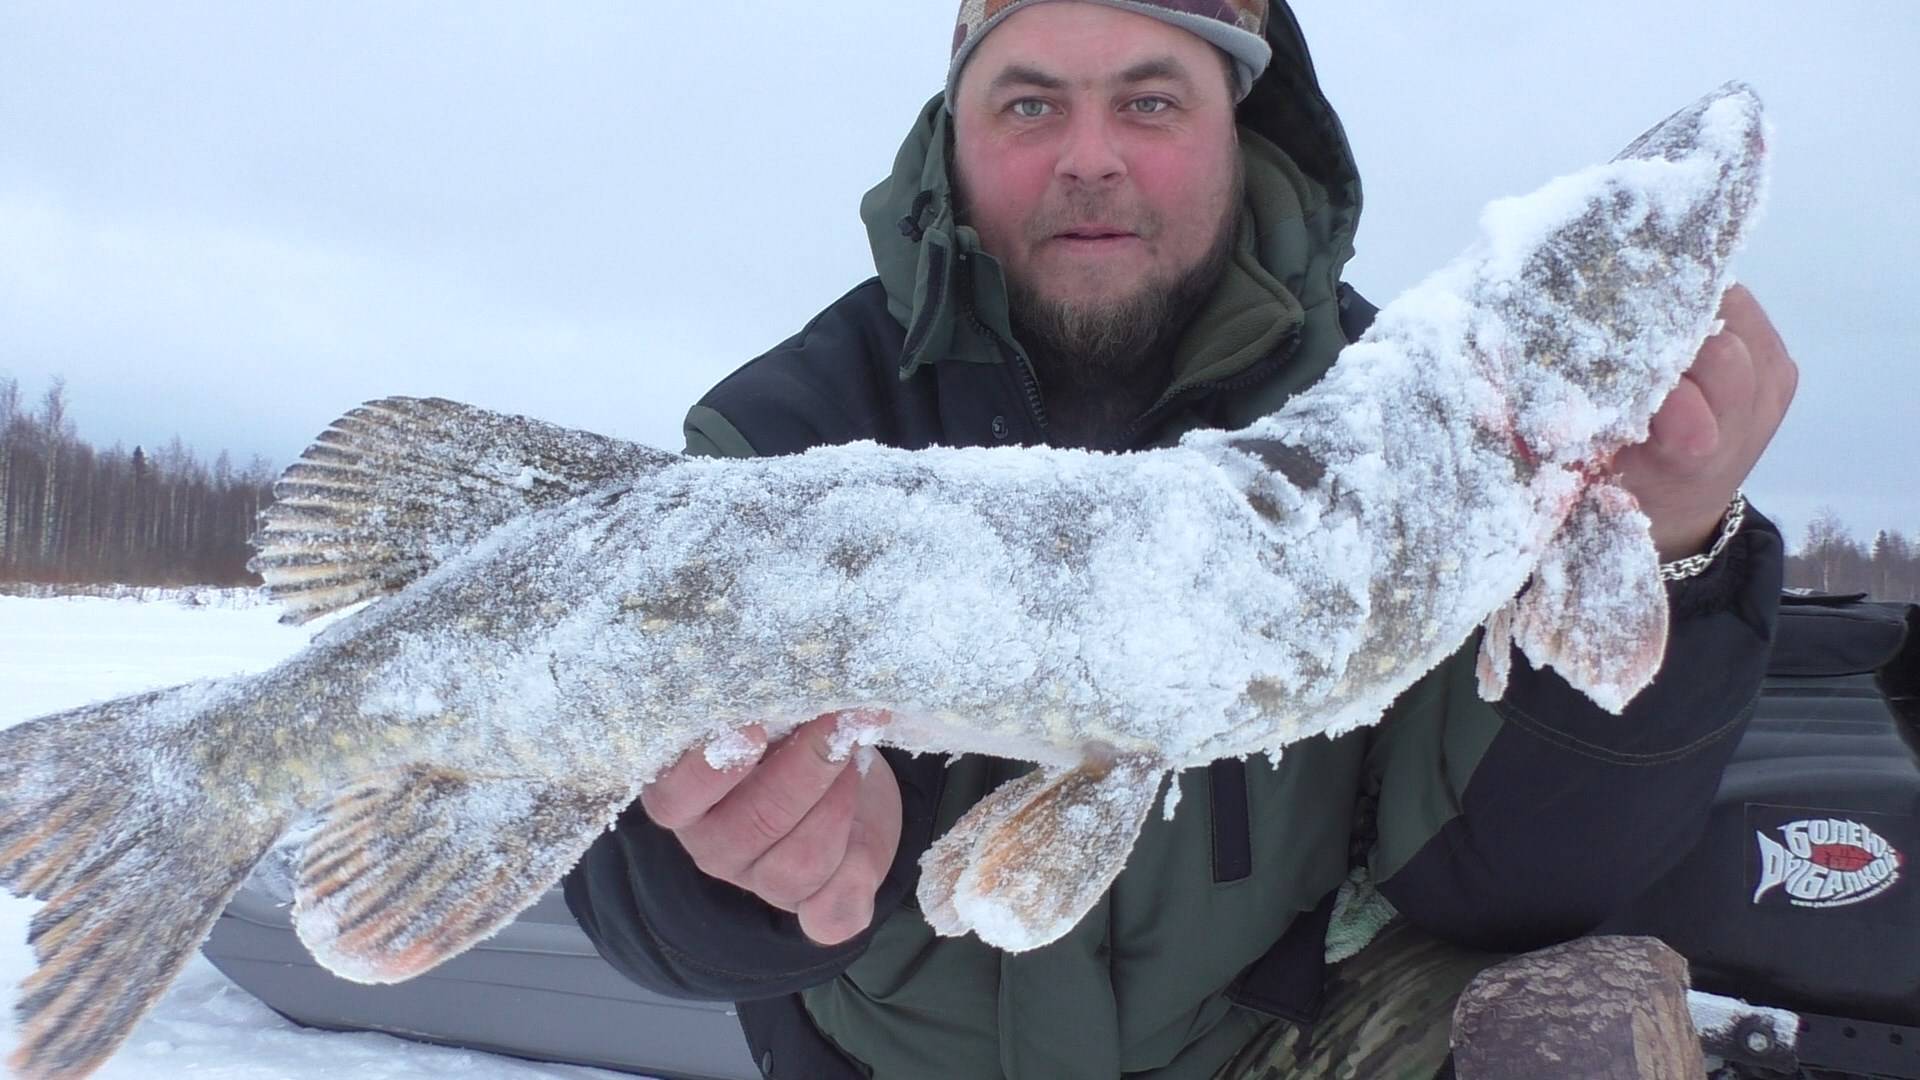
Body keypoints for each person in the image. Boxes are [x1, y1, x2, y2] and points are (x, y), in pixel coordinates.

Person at [564, 2, 1797, 1077]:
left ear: (1239, 131)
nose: (1088, 157)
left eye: (1149, 102)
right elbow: (621, 867)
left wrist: (1675, 541)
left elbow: (1511, 880)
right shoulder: (790, 430)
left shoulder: (1390, 426)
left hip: (1260, 1044)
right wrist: (731, 877)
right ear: (953, 135)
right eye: (1031, 102)